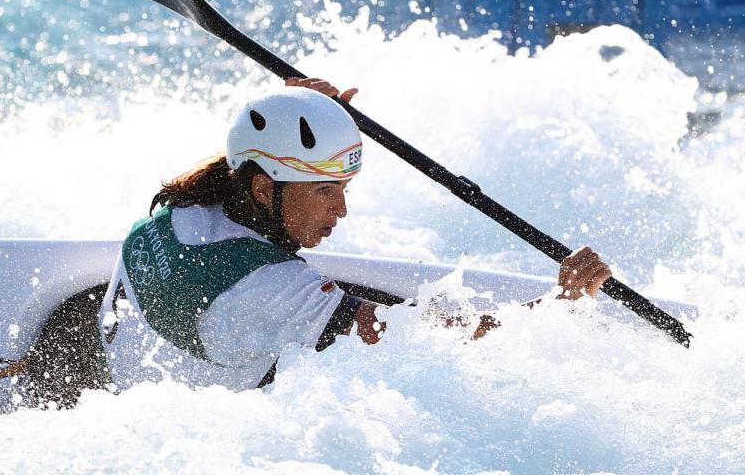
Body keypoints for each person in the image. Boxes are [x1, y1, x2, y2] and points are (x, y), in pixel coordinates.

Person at [99, 77, 612, 392]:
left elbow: (241, 158)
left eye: (343, 188)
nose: (342, 210)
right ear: (263, 190)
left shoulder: (179, 207)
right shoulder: (269, 288)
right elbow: (416, 340)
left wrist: (302, 108)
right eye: (326, 191)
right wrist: (556, 306)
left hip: (133, 384)